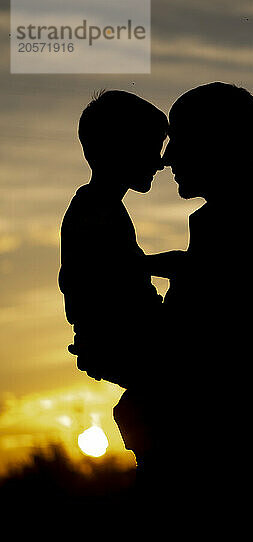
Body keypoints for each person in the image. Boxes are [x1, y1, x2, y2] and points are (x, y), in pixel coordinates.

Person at [145, 83, 253, 496]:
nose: (166, 158)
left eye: (179, 141)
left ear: (216, 144)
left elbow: (195, 343)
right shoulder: (242, 221)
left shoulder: (243, 227)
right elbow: (203, 280)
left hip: (211, 460)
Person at [59, 89, 167, 461]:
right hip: (129, 348)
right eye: (153, 148)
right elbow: (106, 283)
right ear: (123, 149)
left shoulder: (100, 208)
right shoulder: (96, 211)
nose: (161, 162)